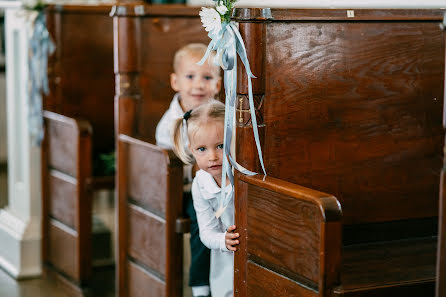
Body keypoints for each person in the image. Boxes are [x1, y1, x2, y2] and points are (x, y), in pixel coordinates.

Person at [155, 43, 221, 297]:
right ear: (175, 81)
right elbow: (170, 168)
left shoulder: (221, 113)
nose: (198, 85)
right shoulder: (169, 124)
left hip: (221, 185)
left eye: (207, 77)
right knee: (205, 219)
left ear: (217, 84)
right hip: (185, 191)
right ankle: (200, 285)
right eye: (190, 77)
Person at [172, 99, 240, 297]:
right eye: (202, 149)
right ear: (191, 150)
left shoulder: (244, 175)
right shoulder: (201, 183)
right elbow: (207, 232)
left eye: (220, 145)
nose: (212, 156)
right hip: (225, 257)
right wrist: (223, 241)